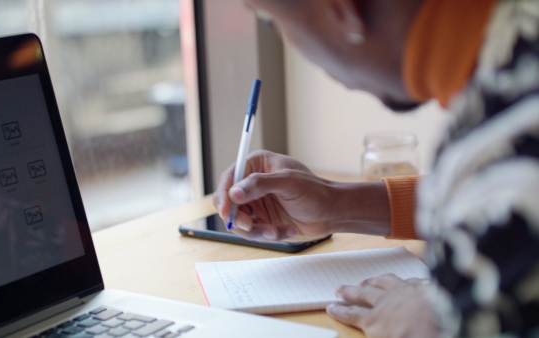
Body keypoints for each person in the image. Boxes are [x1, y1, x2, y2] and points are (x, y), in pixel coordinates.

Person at [213, 0, 539, 336]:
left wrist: (436, 322)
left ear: (342, 10)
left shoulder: (503, 134)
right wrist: (337, 202)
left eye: (271, 20)